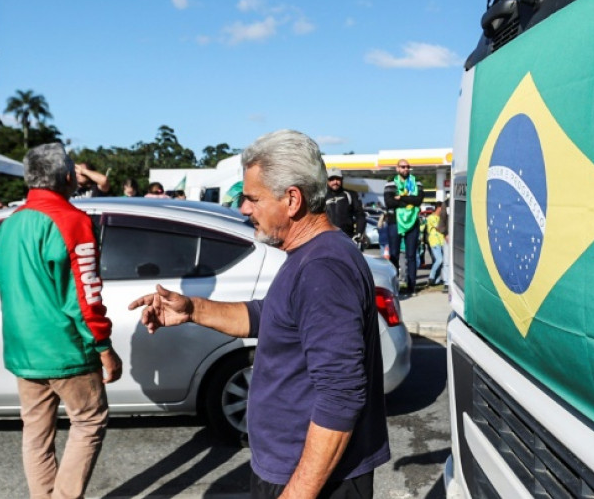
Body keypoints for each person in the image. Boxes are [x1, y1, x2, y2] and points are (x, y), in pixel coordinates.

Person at [129, 129, 389, 498]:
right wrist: (192, 309)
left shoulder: (323, 268)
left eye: (252, 198)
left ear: (292, 199)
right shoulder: (309, 256)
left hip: (318, 480)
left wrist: (297, 493)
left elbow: (341, 395)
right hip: (290, 467)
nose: (244, 209)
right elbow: (271, 316)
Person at [0, 143, 123, 499]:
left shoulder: (10, 224)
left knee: (36, 434)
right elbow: (86, 295)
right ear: (68, 176)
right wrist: (103, 346)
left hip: (24, 351)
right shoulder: (72, 220)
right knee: (89, 421)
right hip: (66, 349)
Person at [383, 160, 425, 296]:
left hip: (413, 222)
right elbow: (389, 203)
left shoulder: (417, 183)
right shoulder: (390, 183)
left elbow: (418, 200)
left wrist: (400, 197)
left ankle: (411, 287)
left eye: (407, 167)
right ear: (397, 168)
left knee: (411, 255)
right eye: (403, 167)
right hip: (394, 222)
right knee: (393, 255)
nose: (405, 169)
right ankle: (393, 286)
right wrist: (409, 199)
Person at [324, 168, 367, 246]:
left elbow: (360, 215)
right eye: (332, 179)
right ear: (327, 181)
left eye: (338, 179)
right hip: (325, 240)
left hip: (346, 239)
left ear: (342, 179)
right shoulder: (321, 197)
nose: (335, 182)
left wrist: (358, 234)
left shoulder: (350, 195)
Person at [426, 202, 446, 286]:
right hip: (434, 241)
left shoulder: (441, 218)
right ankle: (431, 277)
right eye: (442, 208)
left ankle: (437, 280)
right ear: (438, 208)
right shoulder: (431, 217)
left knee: (441, 262)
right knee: (439, 260)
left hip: (442, 241)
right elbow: (439, 227)